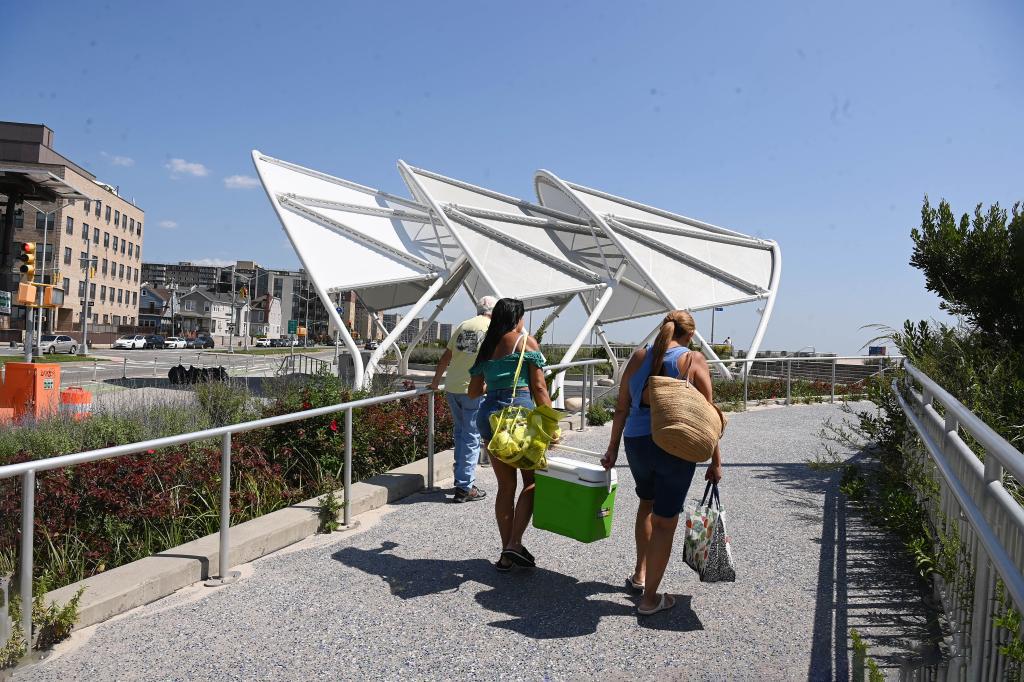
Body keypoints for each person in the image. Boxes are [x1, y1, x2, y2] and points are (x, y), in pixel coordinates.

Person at [601, 310, 724, 615]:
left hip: (636, 443)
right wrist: (716, 461)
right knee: (665, 521)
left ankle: (640, 575)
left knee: (646, 503)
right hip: (674, 444)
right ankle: (650, 599)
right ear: (690, 335)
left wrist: (612, 450)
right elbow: (708, 416)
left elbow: (621, 408)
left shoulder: (638, 357)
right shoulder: (692, 360)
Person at [468, 298, 556, 572]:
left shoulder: (487, 347)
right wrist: (551, 425)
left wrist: (495, 390)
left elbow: (472, 392)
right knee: (532, 483)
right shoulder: (525, 343)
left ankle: (507, 555)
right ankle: (514, 543)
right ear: (517, 318)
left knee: (506, 487)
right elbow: (540, 389)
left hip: (490, 418)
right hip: (519, 418)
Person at [429, 296, 498, 503]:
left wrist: (435, 383)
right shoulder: (493, 330)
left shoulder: (463, 325)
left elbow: (445, 358)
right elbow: (494, 362)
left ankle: (461, 479)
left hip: (452, 387)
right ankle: (465, 487)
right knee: (471, 437)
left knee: (460, 433)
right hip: (474, 389)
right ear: (493, 311)